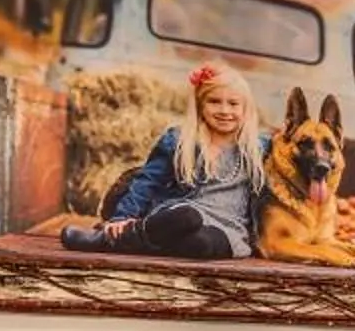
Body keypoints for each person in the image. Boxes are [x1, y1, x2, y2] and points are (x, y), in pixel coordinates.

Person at [63, 65, 266, 259]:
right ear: (199, 105)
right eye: (214, 101)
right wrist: (121, 218)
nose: (224, 110)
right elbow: (147, 182)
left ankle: (128, 242)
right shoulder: (179, 139)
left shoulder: (258, 148)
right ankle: (114, 237)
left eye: (233, 104)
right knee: (188, 216)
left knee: (201, 244)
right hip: (179, 216)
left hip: (227, 229)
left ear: (246, 109)